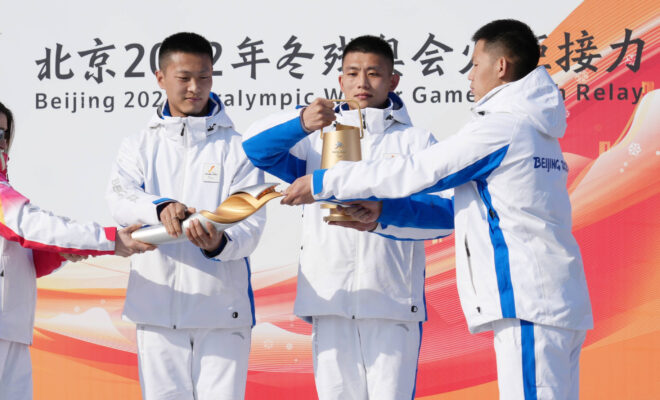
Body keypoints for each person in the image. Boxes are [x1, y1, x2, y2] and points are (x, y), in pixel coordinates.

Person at [283, 20, 593, 400]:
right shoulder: (537, 127)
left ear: (501, 67)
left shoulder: (503, 127)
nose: (469, 75)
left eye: (475, 64)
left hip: (529, 298)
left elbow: (422, 171)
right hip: (552, 299)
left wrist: (323, 183)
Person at [242, 35, 453, 400]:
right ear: (340, 81)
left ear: (393, 80)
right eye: (352, 73)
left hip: (392, 302)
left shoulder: (416, 143)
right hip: (329, 297)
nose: (362, 82)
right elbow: (254, 147)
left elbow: (446, 214)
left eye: (373, 73)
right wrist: (301, 122)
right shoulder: (315, 139)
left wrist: (383, 214)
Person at [106, 32, 266, 400]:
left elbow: (252, 223)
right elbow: (119, 198)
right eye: (184, 78)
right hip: (156, 310)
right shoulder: (138, 145)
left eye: (204, 77)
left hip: (222, 314)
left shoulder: (238, 148)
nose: (195, 87)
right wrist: (160, 207)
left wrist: (219, 243)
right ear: (161, 78)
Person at [0, 101, 154, 400]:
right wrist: (109, 240)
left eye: (3, 134)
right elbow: (29, 225)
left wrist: (58, 252)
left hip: (11, 329)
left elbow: (23, 260)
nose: (1, 142)